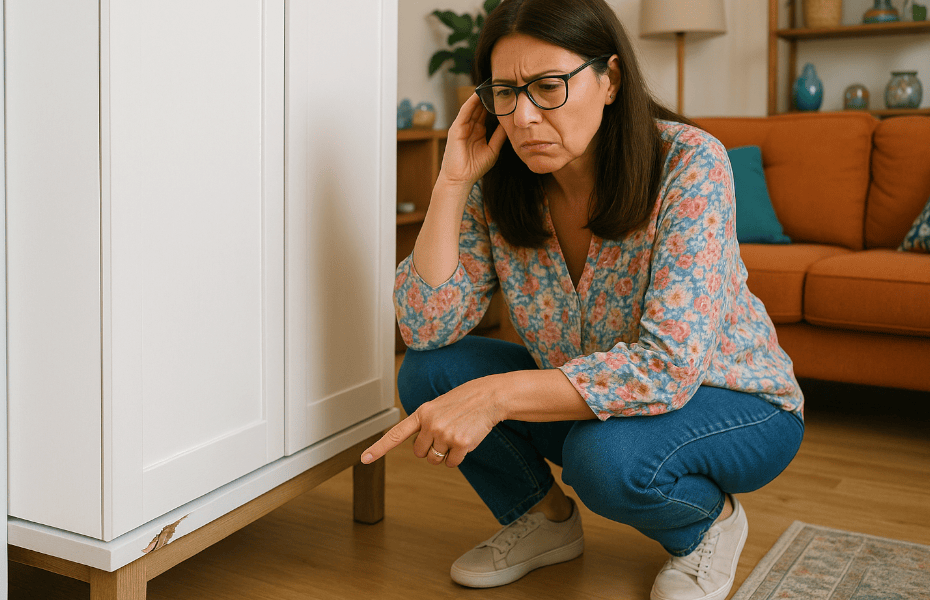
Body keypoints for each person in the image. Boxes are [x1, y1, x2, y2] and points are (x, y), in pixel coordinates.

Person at [361, 0, 804, 598]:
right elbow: (424, 327)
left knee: (604, 458)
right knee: (430, 373)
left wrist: (495, 396)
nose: (523, 116)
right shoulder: (502, 180)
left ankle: (708, 525)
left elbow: (668, 367)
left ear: (610, 79)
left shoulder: (690, 162)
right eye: (504, 93)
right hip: (599, 400)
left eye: (548, 87)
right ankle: (545, 520)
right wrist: (452, 181)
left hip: (736, 400)